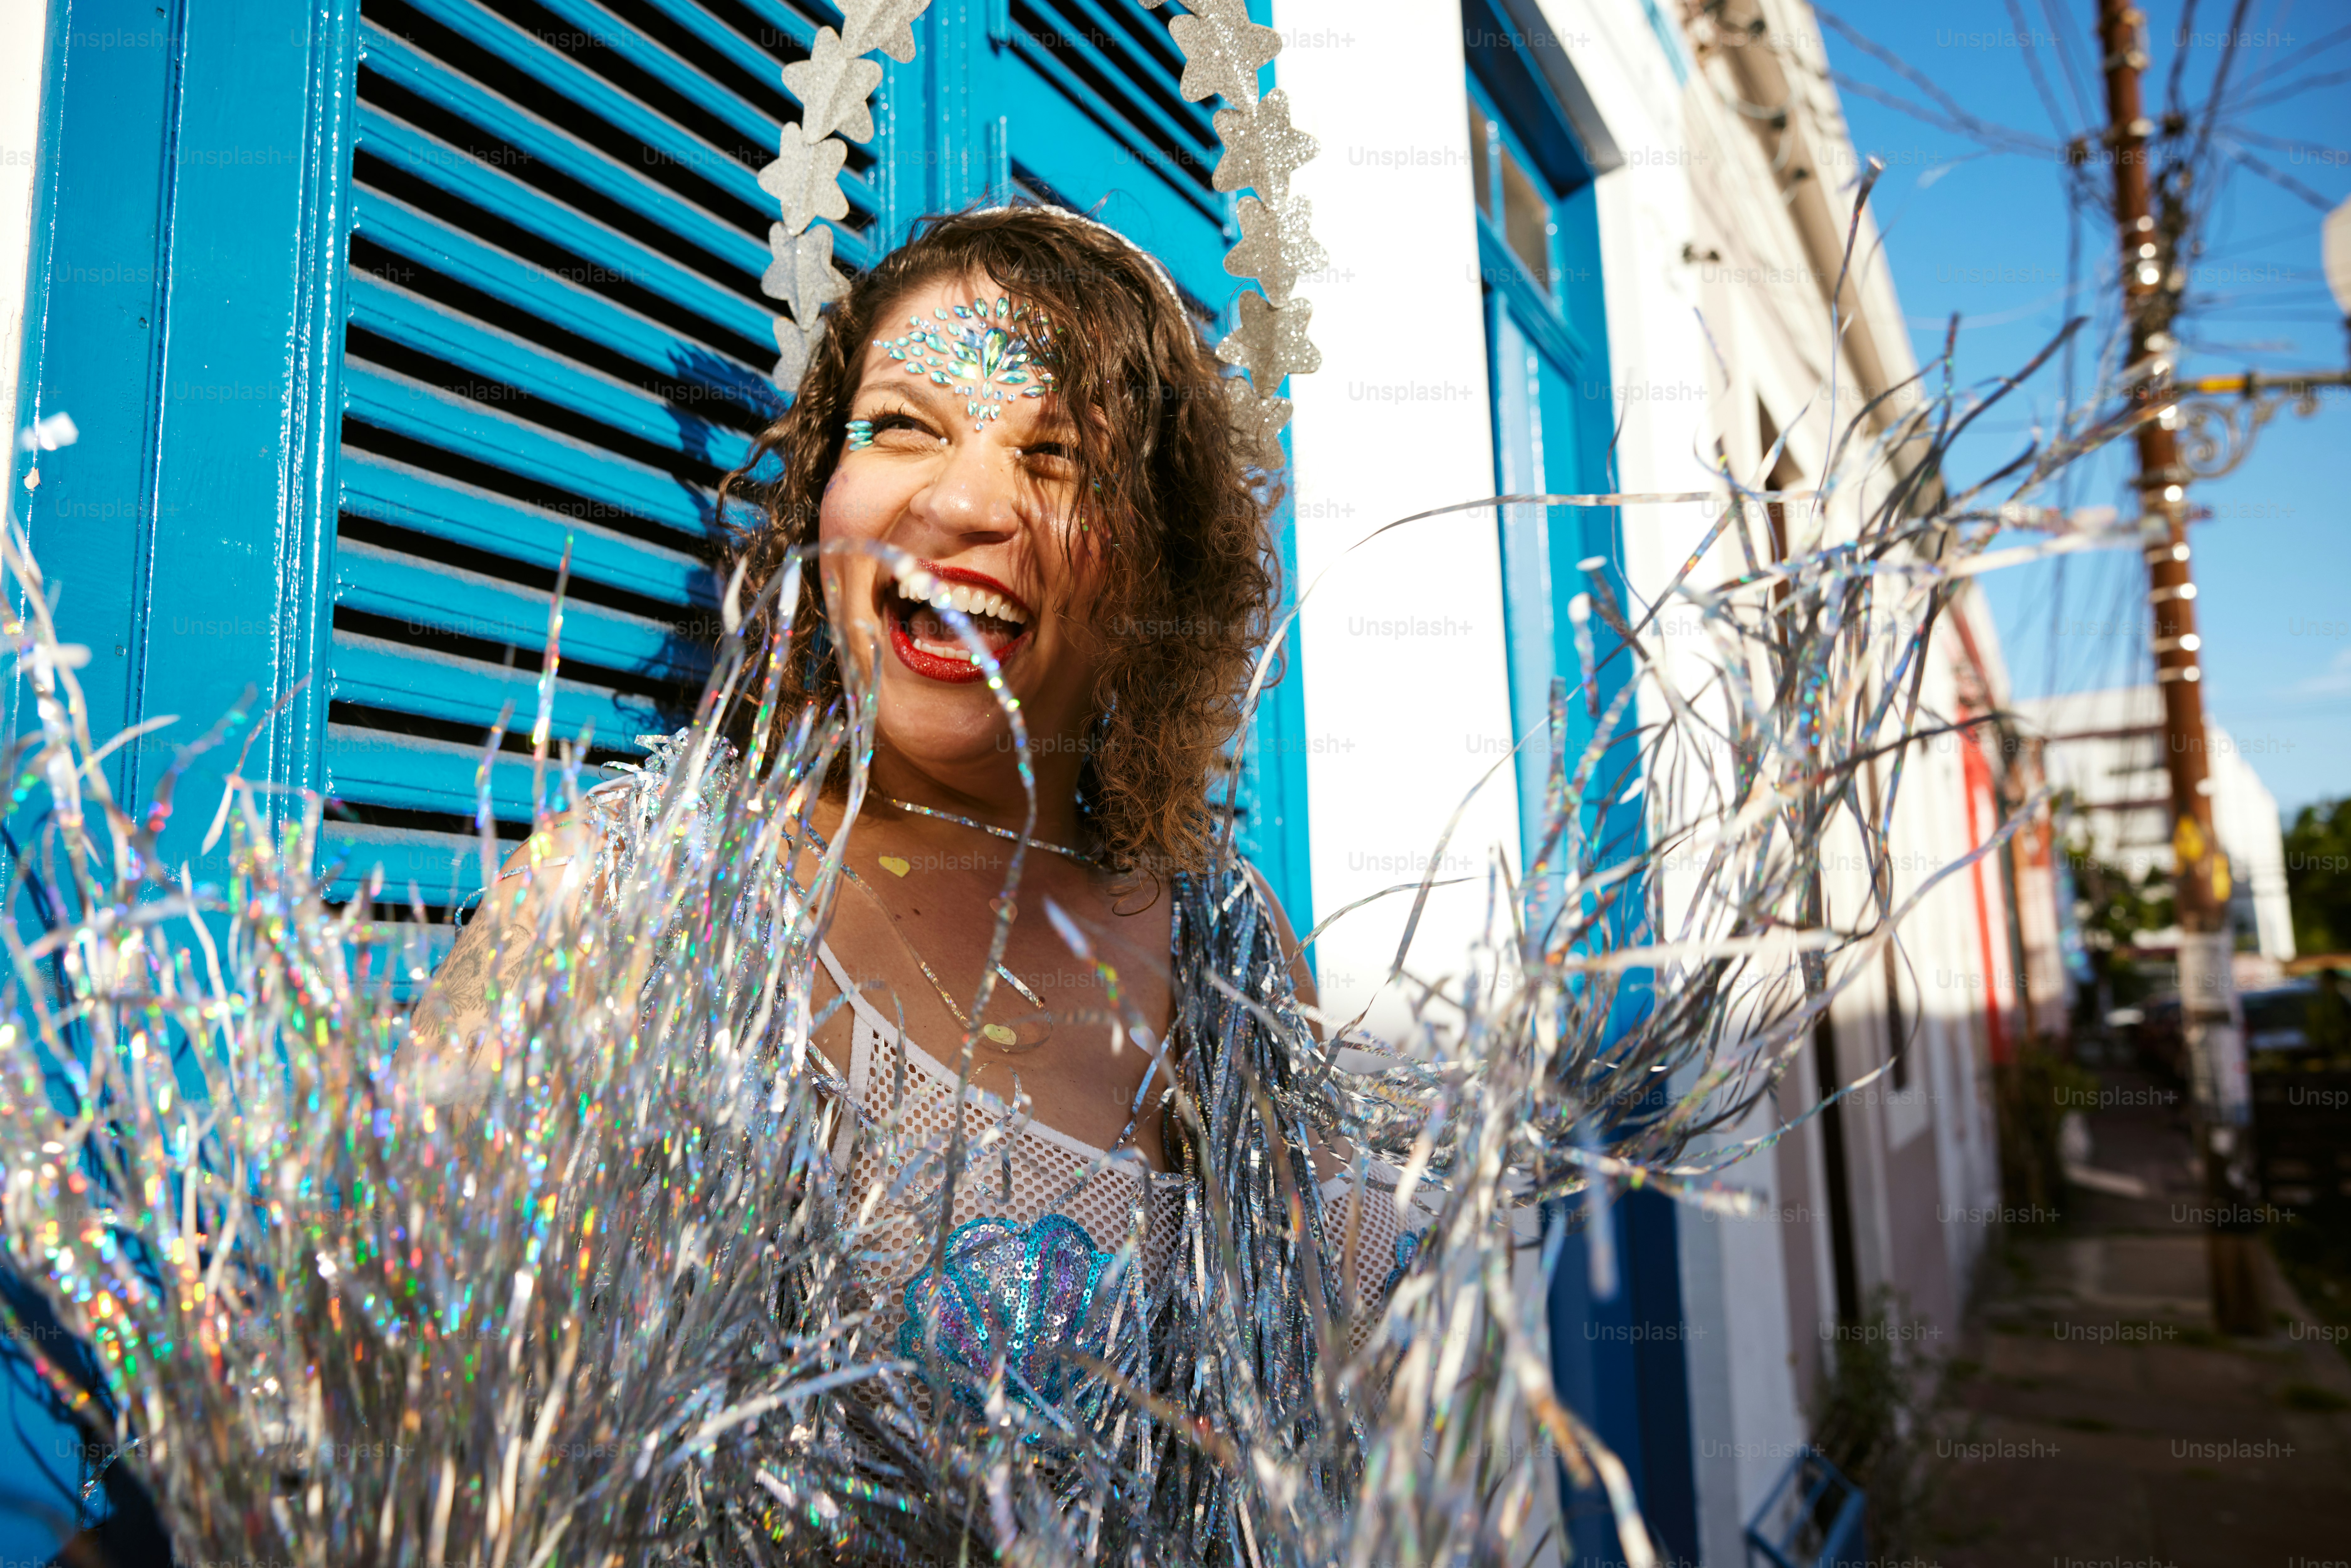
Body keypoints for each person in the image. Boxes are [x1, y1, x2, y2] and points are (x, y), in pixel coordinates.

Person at [412, 204, 1414, 1551]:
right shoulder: (625, 901)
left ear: (1154, 566)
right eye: (900, 426)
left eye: (1058, 456)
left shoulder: (1234, 953)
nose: (960, 504)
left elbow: (1354, 1453)